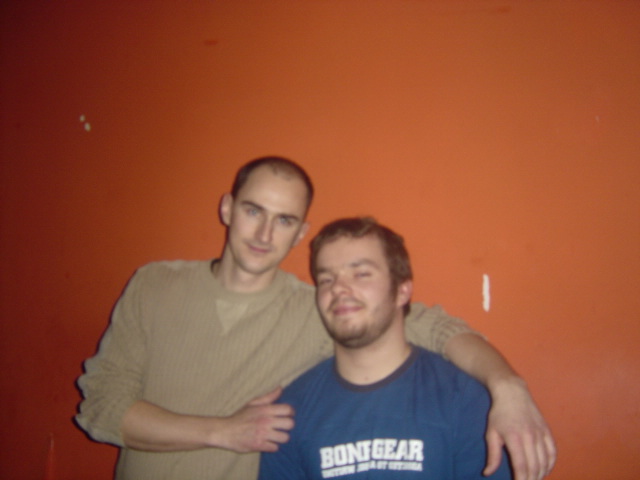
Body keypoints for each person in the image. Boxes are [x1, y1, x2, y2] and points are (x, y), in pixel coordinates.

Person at [75, 157, 555, 480]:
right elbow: (102, 406)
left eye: (284, 220)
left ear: (300, 232)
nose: (264, 233)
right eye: (253, 211)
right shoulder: (155, 286)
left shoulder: (321, 308)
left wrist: (508, 387)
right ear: (227, 209)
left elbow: (433, 327)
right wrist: (222, 431)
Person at [259, 217, 514, 479]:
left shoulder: (463, 399)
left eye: (361, 274)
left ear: (402, 291)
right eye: (326, 279)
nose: (338, 288)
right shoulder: (290, 412)